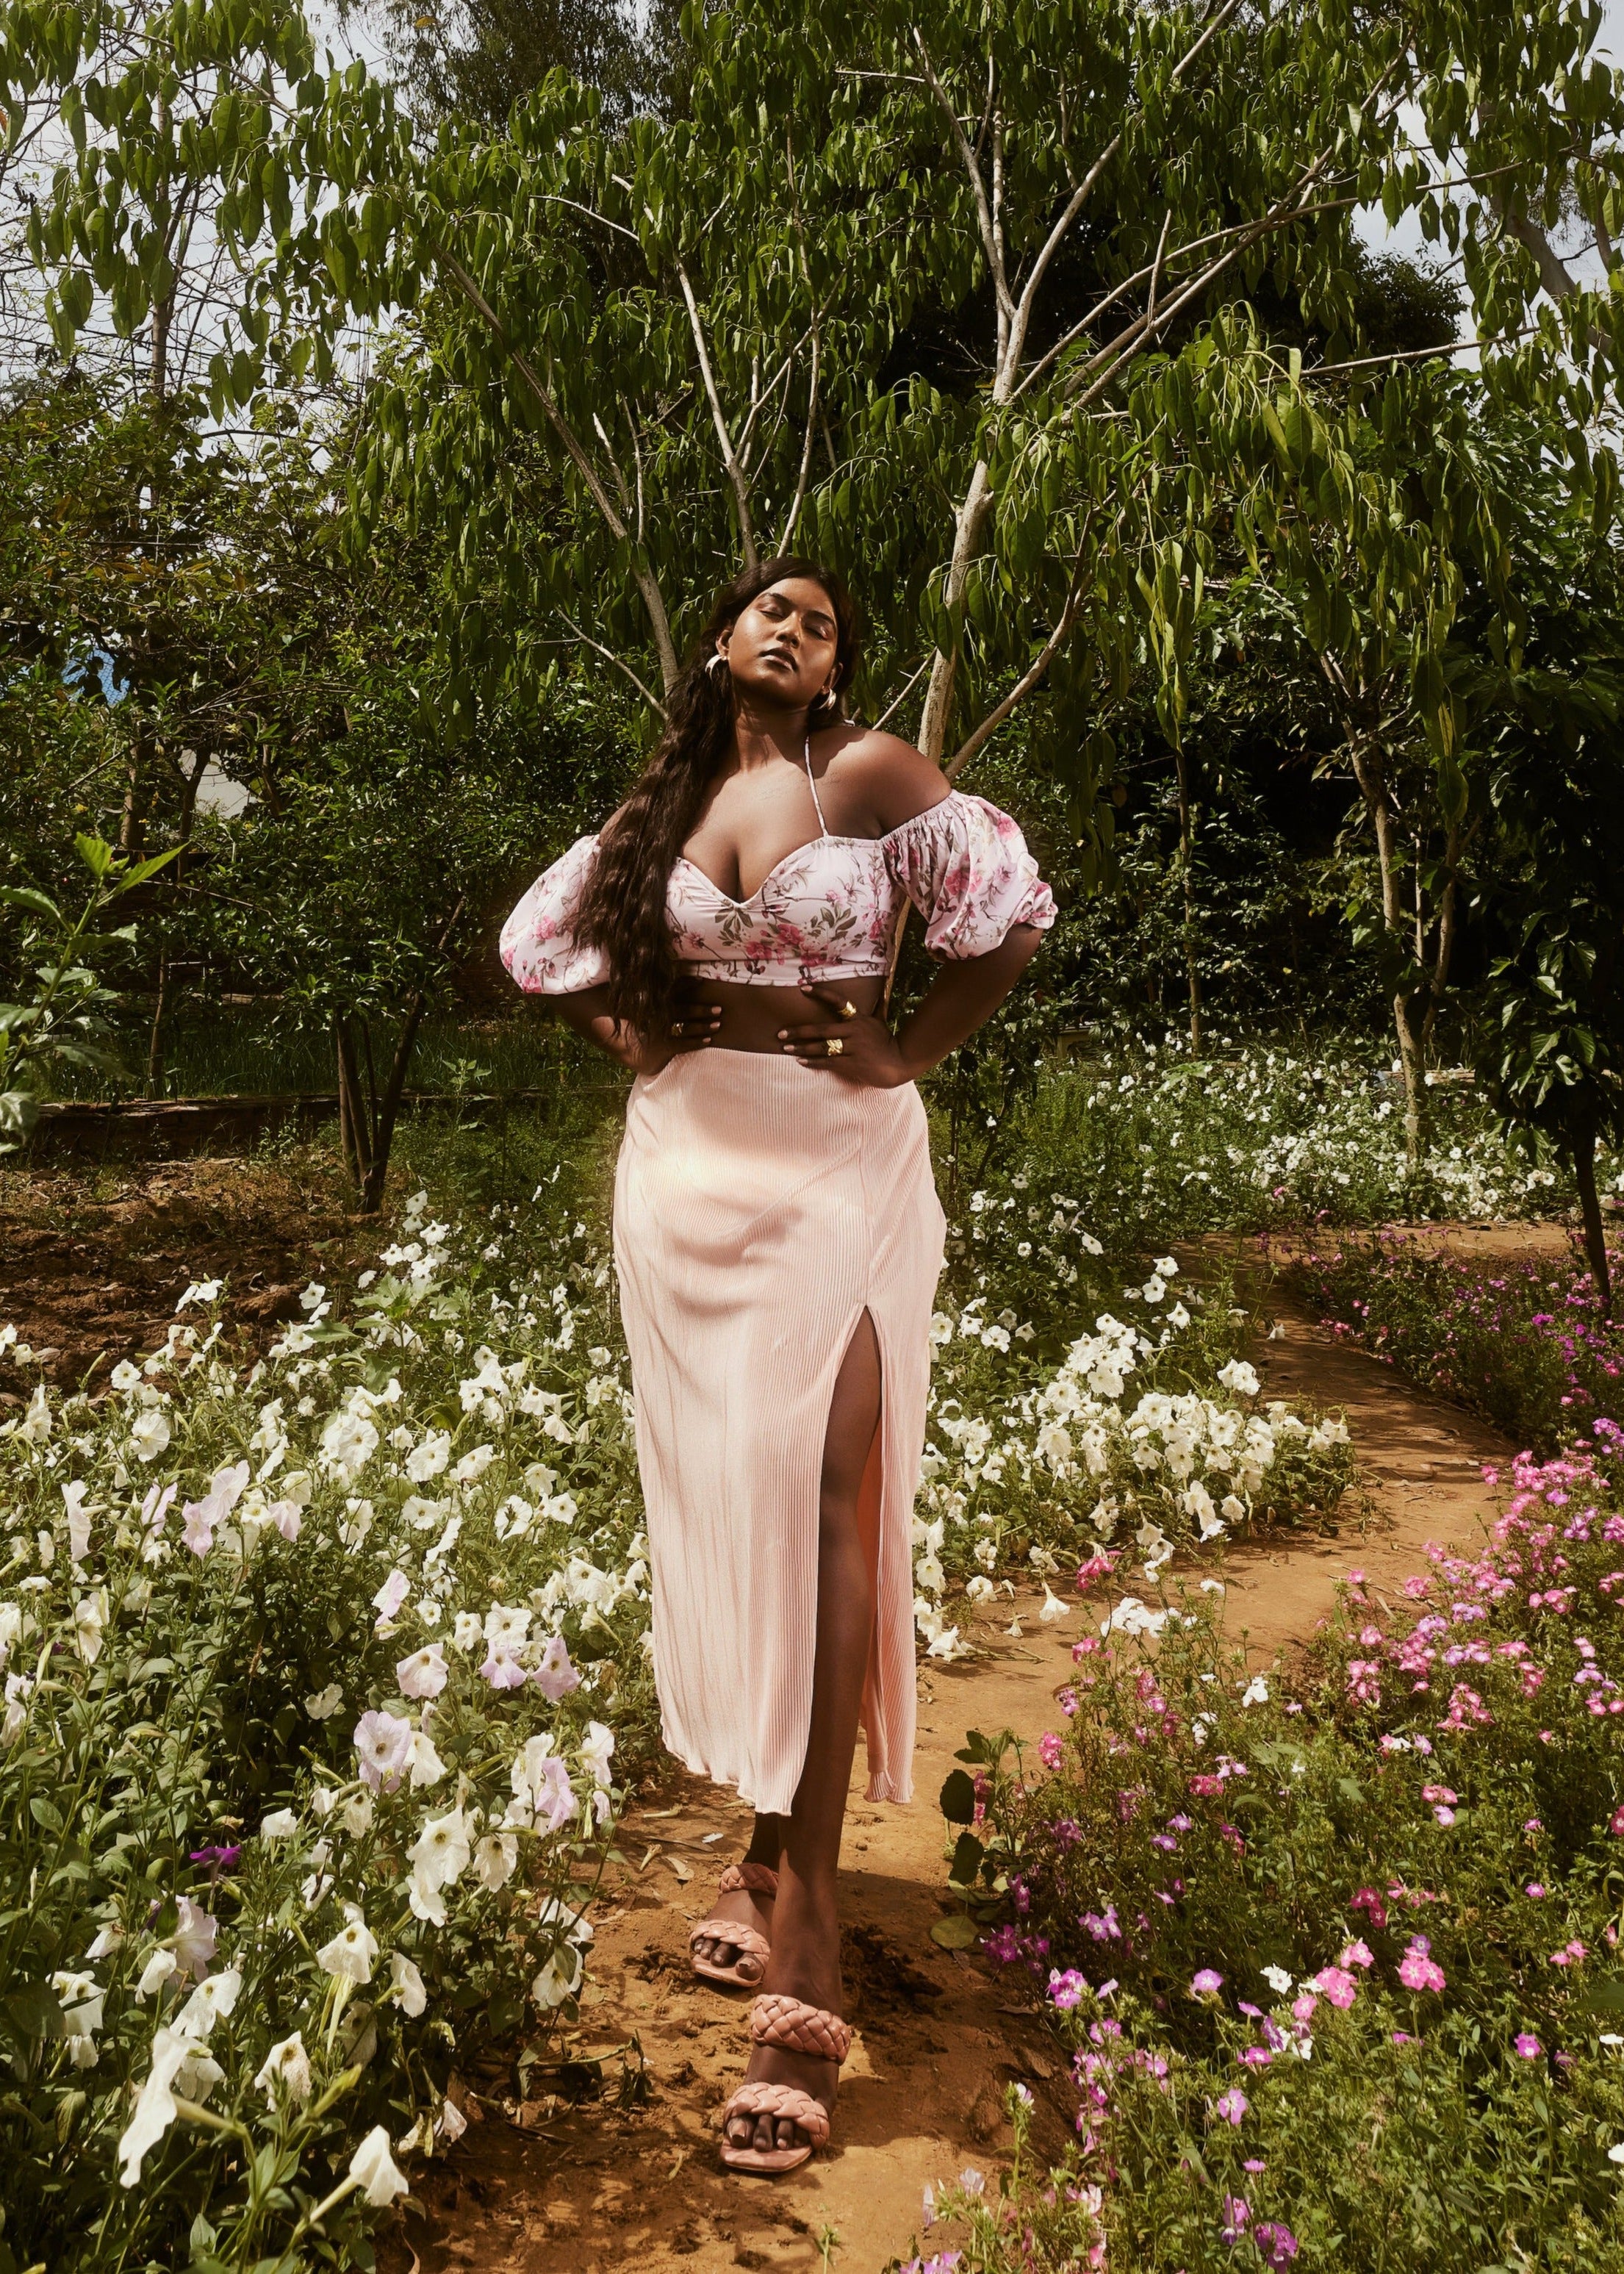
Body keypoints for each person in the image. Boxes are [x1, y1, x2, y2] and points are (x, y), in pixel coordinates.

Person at [500, 556, 1054, 2176]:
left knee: (825, 1508)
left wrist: (907, 1043)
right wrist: (637, 1036)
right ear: (726, 641)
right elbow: (545, 943)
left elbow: (1005, 919)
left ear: (834, 669)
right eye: (768, 608)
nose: (790, 627)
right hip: (687, 1174)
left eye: (819, 620)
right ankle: (759, 1841)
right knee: (740, 1514)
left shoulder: (864, 775)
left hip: (840, 1170)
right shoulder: (665, 796)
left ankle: (805, 1927)